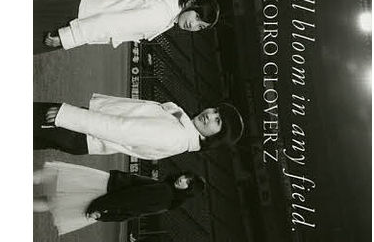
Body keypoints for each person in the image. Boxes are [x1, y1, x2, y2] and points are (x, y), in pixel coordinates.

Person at [33, 0, 219, 54]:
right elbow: (110, 23)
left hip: (83, 4)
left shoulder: (167, 5)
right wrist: (68, 37)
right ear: (191, 3)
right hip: (77, 16)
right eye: (197, 17)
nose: (193, 25)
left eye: (200, 27)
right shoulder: (161, 14)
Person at [33, 94, 245, 158]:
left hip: (82, 130)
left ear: (216, 137)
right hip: (85, 127)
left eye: (217, 121)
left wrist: (67, 116)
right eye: (216, 111)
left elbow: (120, 129)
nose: (210, 115)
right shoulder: (182, 128)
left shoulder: (177, 136)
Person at [34, 164, 205, 235]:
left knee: (56, 177)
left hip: (105, 191)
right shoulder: (167, 202)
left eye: (187, 183)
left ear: (188, 191)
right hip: (106, 198)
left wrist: (98, 206)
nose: (182, 180)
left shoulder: (165, 191)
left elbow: (128, 198)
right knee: (54, 201)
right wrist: (103, 214)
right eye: (185, 177)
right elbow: (132, 212)